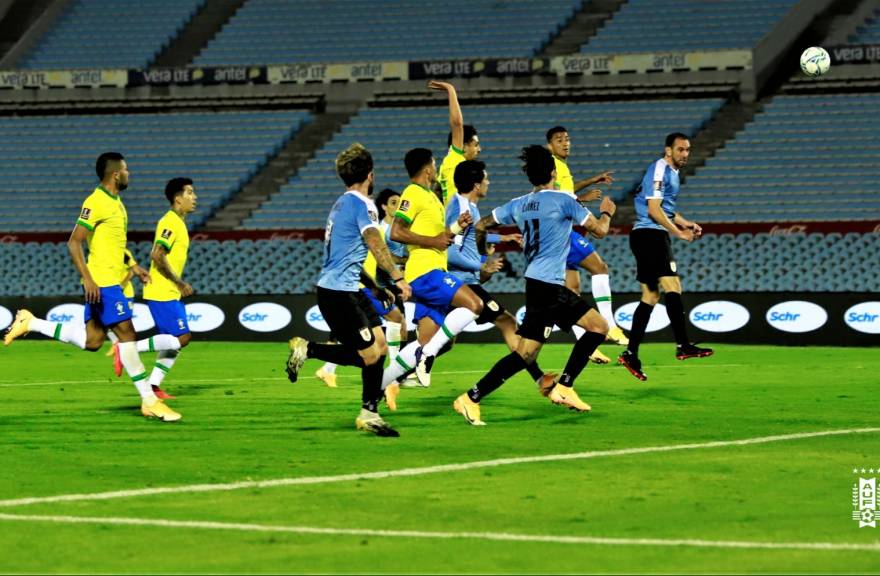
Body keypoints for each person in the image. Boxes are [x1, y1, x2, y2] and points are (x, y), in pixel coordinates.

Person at [4, 152, 181, 422]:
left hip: (110, 282)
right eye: (126, 170)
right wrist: (88, 278)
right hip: (102, 283)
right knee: (128, 339)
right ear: (115, 174)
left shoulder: (117, 202)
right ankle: (149, 401)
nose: (129, 173)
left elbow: (113, 245)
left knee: (93, 341)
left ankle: (32, 323)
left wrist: (132, 266)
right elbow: (74, 241)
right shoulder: (96, 201)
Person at [451, 145, 616, 425]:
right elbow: (600, 231)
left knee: (525, 354)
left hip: (535, 282)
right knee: (599, 327)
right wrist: (606, 213)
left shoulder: (519, 203)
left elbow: (481, 225)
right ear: (553, 172)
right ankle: (564, 386)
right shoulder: (564, 199)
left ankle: (470, 398)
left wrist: (479, 255)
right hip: (550, 284)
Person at [284, 143, 412, 437]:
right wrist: (397, 277)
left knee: (379, 347)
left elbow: (348, 255)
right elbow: (373, 242)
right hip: (338, 293)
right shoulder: (363, 204)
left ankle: (369, 413)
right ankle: (311, 350)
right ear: (370, 174)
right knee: (369, 355)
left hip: (349, 287)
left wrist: (376, 286)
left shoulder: (341, 203)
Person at [378, 145, 483, 391]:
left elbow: (438, 238)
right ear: (427, 168)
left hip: (435, 269)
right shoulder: (412, 193)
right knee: (475, 304)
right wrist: (434, 241)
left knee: (431, 341)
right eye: (435, 164)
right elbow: (396, 231)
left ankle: (378, 387)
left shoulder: (432, 197)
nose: (436, 168)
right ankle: (426, 359)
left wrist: (456, 227)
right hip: (425, 272)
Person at [446, 159, 552, 387]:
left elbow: (469, 238)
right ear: (476, 184)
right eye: (485, 179)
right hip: (460, 283)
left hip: (465, 282)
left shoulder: (468, 207)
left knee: (441, 344)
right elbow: (450, 252)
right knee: (507, 321)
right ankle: (539, 380)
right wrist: (480, 266)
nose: (488, 182)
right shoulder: (460, 208)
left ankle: (394, 379)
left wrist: (503, 238)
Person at [618, 132, 713, 381]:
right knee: (673, 285)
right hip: (651, 235)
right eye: (680, 149)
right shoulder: (659, 169)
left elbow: (666, 208)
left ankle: (631, 353)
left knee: (650, 296)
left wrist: (685, 222)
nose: (685, 154)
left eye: (687, 150)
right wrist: (679, 233)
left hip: (647, 236)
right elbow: (653, 210)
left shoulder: (673, 172)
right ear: (668, 150)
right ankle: (683, 345)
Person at [315, 187, 415, 396]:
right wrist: (402, 268)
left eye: (399, 202)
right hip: (359, 285)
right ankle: (396, 374)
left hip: (368, 284)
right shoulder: (375, 227)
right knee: (396, 319)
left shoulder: (383, 226)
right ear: (383, 206)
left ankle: (327, 368)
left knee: (370, 341)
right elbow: (381, 252)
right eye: (393, 203)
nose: (397, 207)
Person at [111, 178, 197, 400]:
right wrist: (178, 281)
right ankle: (125, 349)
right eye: (189, 193)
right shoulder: (169, 222)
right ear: (178, 199)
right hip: (162, 290)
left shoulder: (178, 223)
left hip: (167, 291)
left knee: (172, 343)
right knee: (183, 337)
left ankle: (154, 386)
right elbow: (157, 255)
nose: (194, 197)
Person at [546, 126, 629, 353]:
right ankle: (610, 325)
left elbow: (565, 192)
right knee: (600, 268)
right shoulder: (555, 165)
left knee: (572, 290)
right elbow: (562, 200)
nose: (566, 143)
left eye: (567, 139)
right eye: (559, 139)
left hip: (553, 236)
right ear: (549, 145)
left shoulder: (558, 167)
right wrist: (586, 201)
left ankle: (587, 346)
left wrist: (592, 181)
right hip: (562, 232)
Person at [433, 80, 481, 206]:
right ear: (463, 146)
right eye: (475, 145)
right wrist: (451, 90)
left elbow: (438, 191)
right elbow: (457, 124)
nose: (479, 149)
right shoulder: (455, 157)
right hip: (457, 218)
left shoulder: (450, 165)